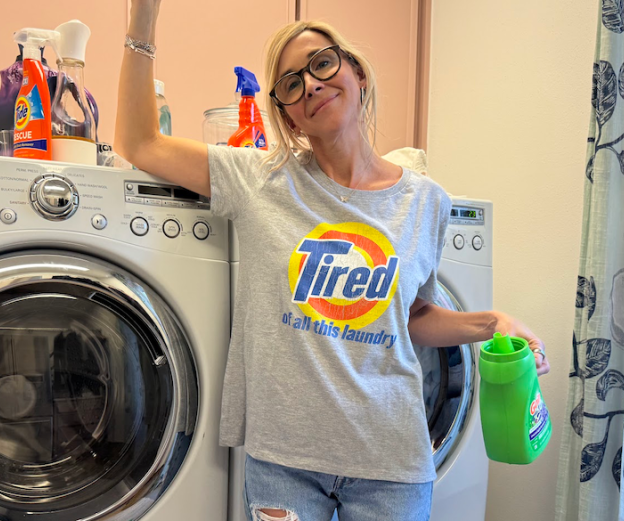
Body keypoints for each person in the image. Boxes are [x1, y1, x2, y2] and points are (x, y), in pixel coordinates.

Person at [116, 3, 550, 519]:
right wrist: (142, 21)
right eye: (291, 84)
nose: (311, 85)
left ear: (356, 72)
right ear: (287, 115)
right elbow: (140, 142)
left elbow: (412, 319)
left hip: (391, 459)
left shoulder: (427, 201)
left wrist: (491, 322)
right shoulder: (259, 179)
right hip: (284, 462)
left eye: (321, 64)